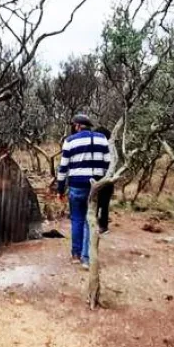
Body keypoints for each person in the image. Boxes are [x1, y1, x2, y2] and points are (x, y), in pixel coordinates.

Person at [56, 114, 110, 269]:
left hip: (76, 185)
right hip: (95, 186)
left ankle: (75, 255)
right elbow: (107, 162)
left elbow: (63, 167)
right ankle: (87, 259)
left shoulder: (70, 141)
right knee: (89, 221)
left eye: (74, 125)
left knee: (77, 220)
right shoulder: (102, 138)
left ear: (78, 126)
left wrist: (60, 188)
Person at [93, 126, 114, 234]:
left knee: (94, 201)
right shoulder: (111, 148)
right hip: (108, 177)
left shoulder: (93, 147)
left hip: (96, 177)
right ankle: (103, 225)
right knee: (104, 203)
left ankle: (97, 222)